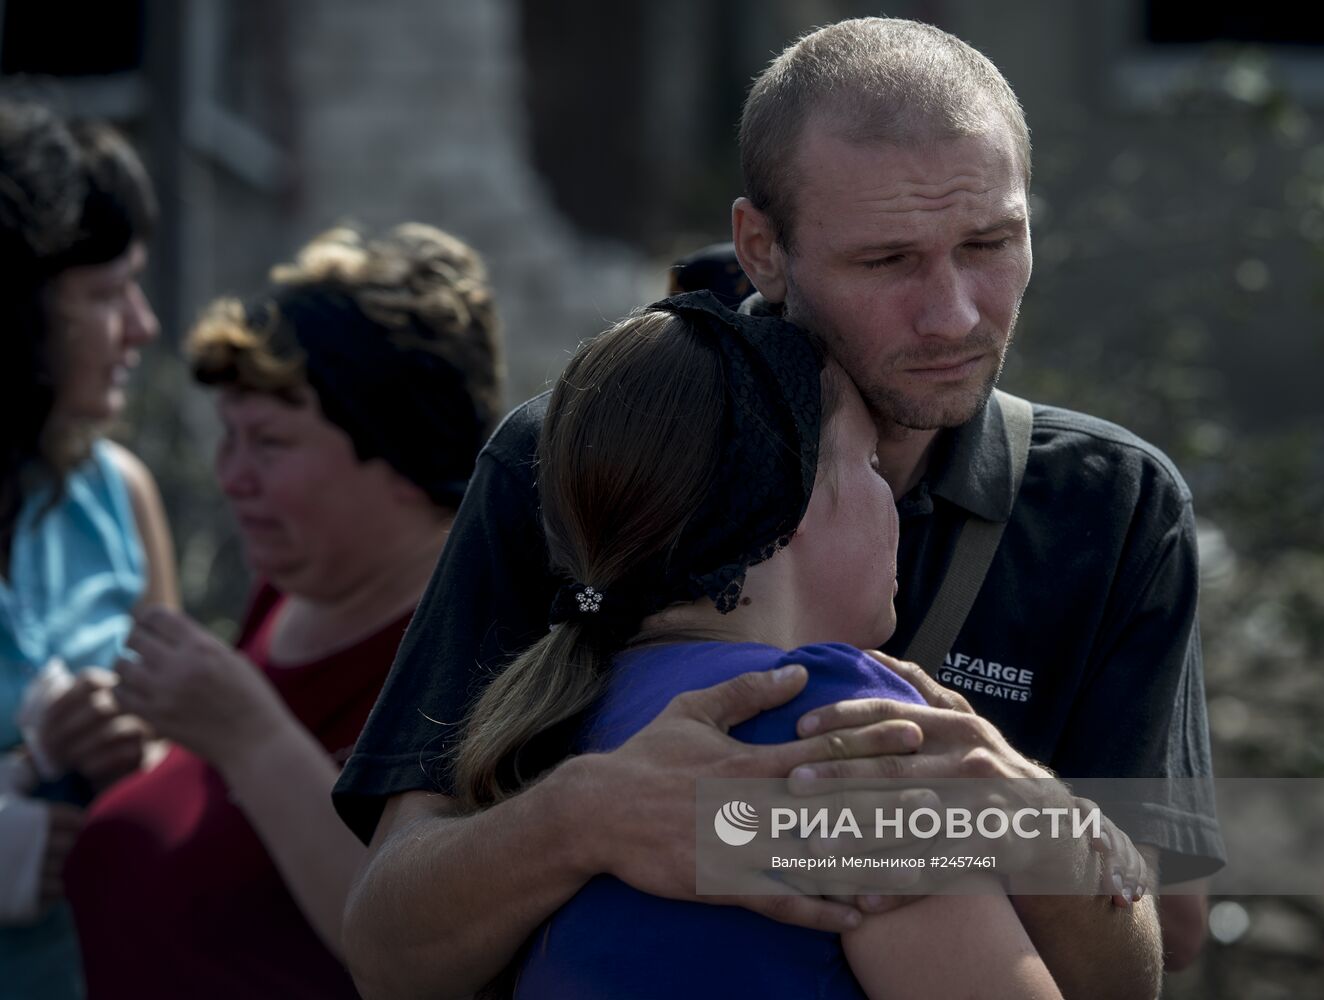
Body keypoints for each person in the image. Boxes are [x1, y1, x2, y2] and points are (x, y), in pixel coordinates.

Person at [337, 18, 1225, 999]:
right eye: (886, 261)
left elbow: (1163, 934)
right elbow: (385, 945)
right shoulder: (574, 455)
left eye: (989, 243)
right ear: (759, 247)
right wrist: (582, 816)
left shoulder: (1113, 503)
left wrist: (1017, 814)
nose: (954, 314)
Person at [455, 292, 1062, 997]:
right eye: (869, 461)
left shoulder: (566, 707)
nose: (891, 500)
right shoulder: (834, 719)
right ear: (794, 496)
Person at [61, 223, 503, 998]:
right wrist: (141, 751)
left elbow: (430, 952)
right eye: (226, 438)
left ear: (402, 454)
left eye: (268, 443)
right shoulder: (295, 588)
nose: (230, 477)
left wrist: (248, 735)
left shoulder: (473, 657)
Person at [0, 100, 177, 1000]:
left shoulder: (119, 494)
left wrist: (134, 749)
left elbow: (183, 773)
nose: (143, 328)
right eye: (107, 295)